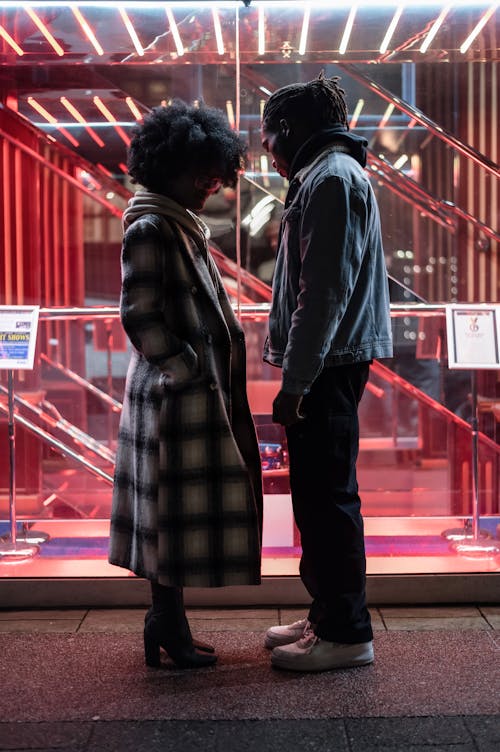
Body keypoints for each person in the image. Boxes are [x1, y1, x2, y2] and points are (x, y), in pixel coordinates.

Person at [108, 101, 263, 670]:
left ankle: (167, 622)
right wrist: (185, 368)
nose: (213, 186)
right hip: (175, 397)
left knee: (169, 513)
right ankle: (165, 622)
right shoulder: (153, 226)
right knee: (167, 514)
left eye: (215, 176)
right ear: (172, 168)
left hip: (184, 395)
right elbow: (140, 314)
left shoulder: (175, 221)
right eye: (204, 175)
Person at [260, 72, 393, 672]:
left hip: (327, 366)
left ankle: (346, 632)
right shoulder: (326, 176)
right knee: (317, 497)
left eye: (268, 137)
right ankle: (327, 615)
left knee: (328, 498)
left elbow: (323, 293)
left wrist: (296, 380)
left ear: (290, 130)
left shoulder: (332, 180)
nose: (266, 150)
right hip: (328, 362)